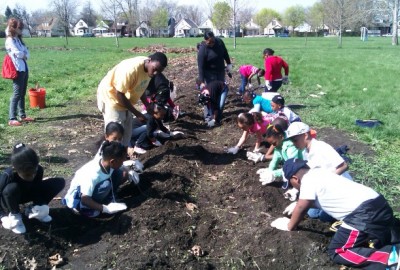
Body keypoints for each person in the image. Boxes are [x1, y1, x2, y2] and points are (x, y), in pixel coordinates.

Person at [271, 158, 399, 270]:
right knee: (381, 237)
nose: (293, 187)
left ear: (295, 178)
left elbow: (301, 208)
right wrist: (298, 203)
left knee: (337, 251)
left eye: (291, 183)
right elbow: (318, 199)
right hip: (379, 203)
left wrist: (289, 226)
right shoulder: (319, 172)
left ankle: (391, 259)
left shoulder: (307, 181)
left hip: (363, 215)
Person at [97, 52, 168, 147]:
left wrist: (147, 106)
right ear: (149, 60)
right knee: (115, 133)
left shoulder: (149, 69)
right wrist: (137, 113)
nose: (156, 73)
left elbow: (140, 87)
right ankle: (108, 156)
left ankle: (124, 155)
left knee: (127, 132)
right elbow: (119, 94)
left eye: (159, 71)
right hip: (111, 97)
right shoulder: (131, 70)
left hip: (124, 98)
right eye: (155, 69)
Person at [0, 143, 65, 234]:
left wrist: (41, 204)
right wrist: (2, 216)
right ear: (16, 169)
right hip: (11, 198)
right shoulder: (7, 176)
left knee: (59, 182)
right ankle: (15, 216)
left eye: (34, 172)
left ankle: (34, 210)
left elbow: (36, 189)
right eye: (27, 175)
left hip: (28, 192)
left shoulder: (39, 170)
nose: (32, 176)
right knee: (11, 189)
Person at [63, 141, 128, 218]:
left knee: (120, 173)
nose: (123, 163)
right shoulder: (92, 174)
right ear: (112, 161)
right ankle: (85, 209)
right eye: (122, 161)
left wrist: (130, 169)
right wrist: (106, 209)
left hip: (92, 191)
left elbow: (121, 170)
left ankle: (107, 198)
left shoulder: (105, 161)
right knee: (105, 186)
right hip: (78, 199)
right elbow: (85, 199)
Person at [252, 120, 303, 186]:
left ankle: (297, 189)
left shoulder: (290, 146)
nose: (274, 146)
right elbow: (276, 158)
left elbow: (293, 166)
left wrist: (274, 174)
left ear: (281, 137)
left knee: (294, 176)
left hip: (303, 167)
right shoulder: (279, 144)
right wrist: (270, 170)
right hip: (294, 165)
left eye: (274, 143)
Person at [5, 18, 34, 126]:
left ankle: (23, 116)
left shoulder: (18, 40)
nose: (22, 29)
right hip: (17, 69)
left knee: (22, 93)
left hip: (24, 68)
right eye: (19, 27)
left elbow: (27, 52)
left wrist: (24, 54)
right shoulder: (10, 40)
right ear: (13, 28)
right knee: (17, 94)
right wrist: (23, 54)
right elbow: (18, 53)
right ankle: (12, 118)